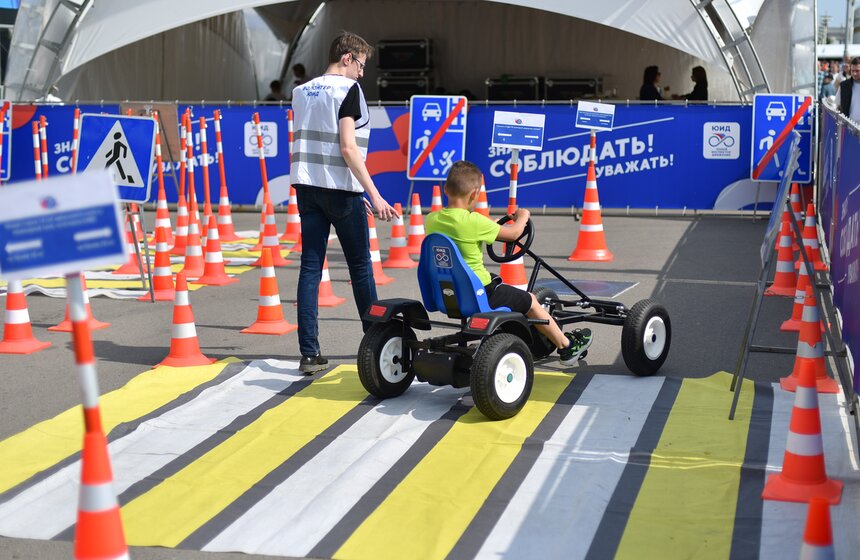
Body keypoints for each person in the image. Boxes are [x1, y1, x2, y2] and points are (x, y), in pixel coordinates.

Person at [290, 31, 398, 374]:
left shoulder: (301, 91)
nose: (362, 73)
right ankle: (377, 345)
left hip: (307, 187)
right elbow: (348, 147)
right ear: (347, 58)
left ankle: (309, 354)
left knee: (310, 268)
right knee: (361, 268)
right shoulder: (348, 90)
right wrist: (373, 193)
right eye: (361, 65)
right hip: (341, 191)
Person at [424, 160, 593, 366]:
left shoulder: (432, 219)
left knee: (503, 286)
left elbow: (473, 229)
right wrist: (523, 217)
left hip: (447, 293)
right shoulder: (474, 221)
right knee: (530, 300)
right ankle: (567, 346)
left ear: (445, 189)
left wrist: (494, 225)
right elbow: (513, 234)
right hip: (480, 293)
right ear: (475, 193)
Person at [838, 57, 860, 122]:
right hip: (849, 124)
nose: (854, 73)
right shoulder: (844, 85)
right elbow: (837, 104)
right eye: (852, 71)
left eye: (857, 71)